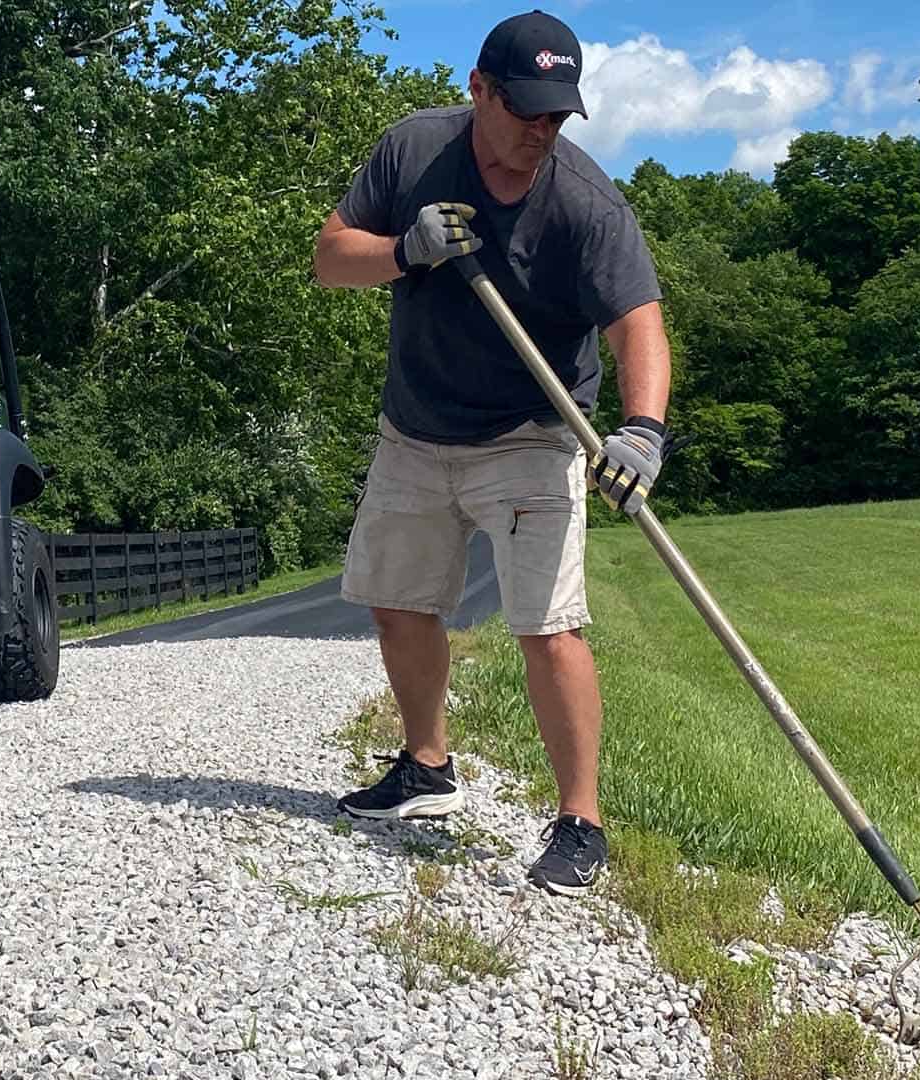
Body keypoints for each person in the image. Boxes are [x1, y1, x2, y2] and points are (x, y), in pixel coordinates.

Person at [311, 8, 672, 896]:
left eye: (558, 117)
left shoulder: (586, 203)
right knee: (398, 603)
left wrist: (644, 431)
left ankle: (580, 821)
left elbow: (639, 321)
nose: (541, 133)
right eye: (526, 112)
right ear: (479, 89)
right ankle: (425, 768)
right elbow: (330, 257)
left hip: (533, 434)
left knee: (547, 628)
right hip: (417, 426)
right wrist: (406, 249)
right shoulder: (413, 152)